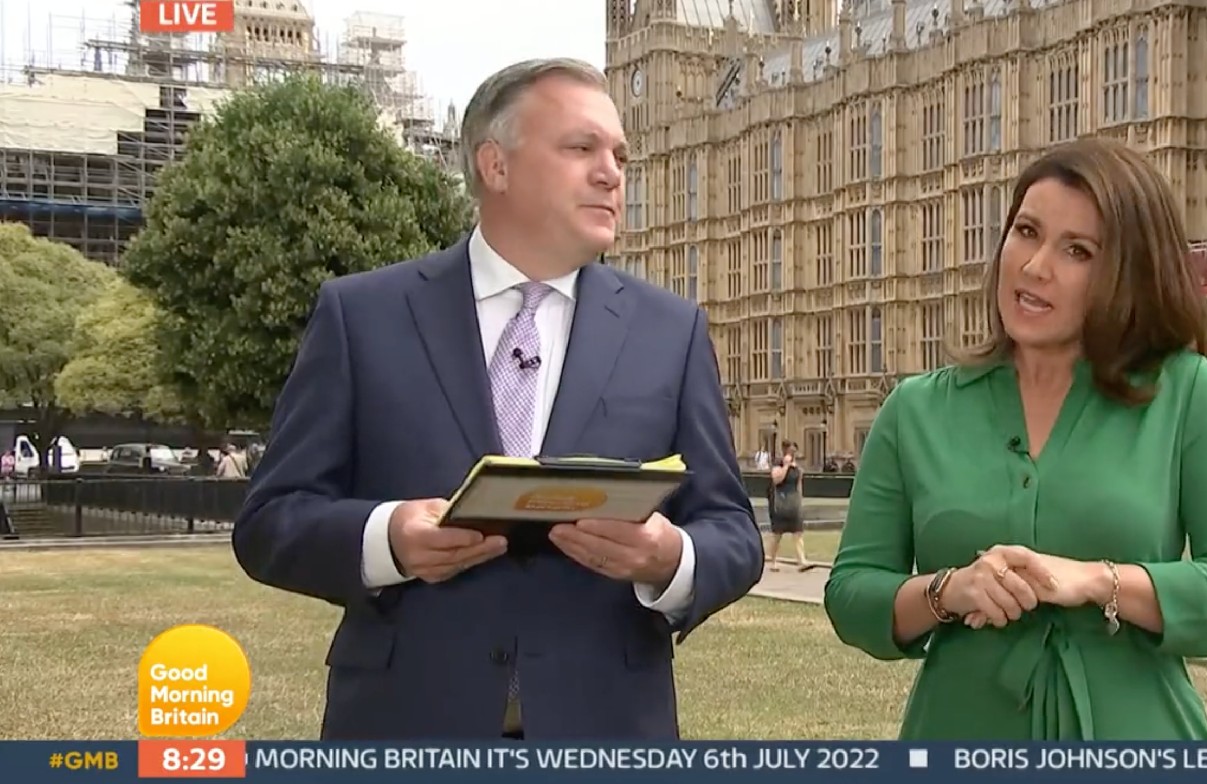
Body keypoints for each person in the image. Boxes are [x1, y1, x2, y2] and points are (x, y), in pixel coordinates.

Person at [232, 58, 764, 741]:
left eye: (619, 154)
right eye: (580, 148)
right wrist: (388, 539)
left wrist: (670, 560)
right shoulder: (362, 315)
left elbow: (732, 531)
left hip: (606, 732)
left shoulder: (671, 330)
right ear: (496, 164)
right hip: (406, 727)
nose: (612, 172)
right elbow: (270, 522)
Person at [823, 137, 1207, 740]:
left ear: (1127, 273)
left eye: (1077, 250)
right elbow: (852, 596)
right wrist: (949, 590)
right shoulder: (916, 411)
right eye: (1026, 232)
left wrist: (1097, 581)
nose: (1036, 265)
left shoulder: (1187, 393)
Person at [766, 443, 811, 572]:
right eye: (790, 452)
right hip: (780, 504)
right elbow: (776, 479)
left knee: (798, 533)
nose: (792, 454)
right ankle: (773, 561)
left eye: (794, 452)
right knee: (777, 535)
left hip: (793, 504)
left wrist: (799, 502)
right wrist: (785, 466)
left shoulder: (797, 469)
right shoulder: (778, 466)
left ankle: (801, 561)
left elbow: (798, 486)